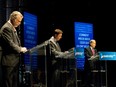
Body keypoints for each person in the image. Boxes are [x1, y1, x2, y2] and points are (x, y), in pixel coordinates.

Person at [0, 11, 27, 87]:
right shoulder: (6, 28)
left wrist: (20, 48)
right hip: (9, 62)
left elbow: (14, 43)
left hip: (14, 62)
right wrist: (20, 49)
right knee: (8, 83)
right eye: (19, 21)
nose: (20, 23)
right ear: (14, 19)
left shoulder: (11, 27)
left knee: (14, 83)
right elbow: (10, 44)